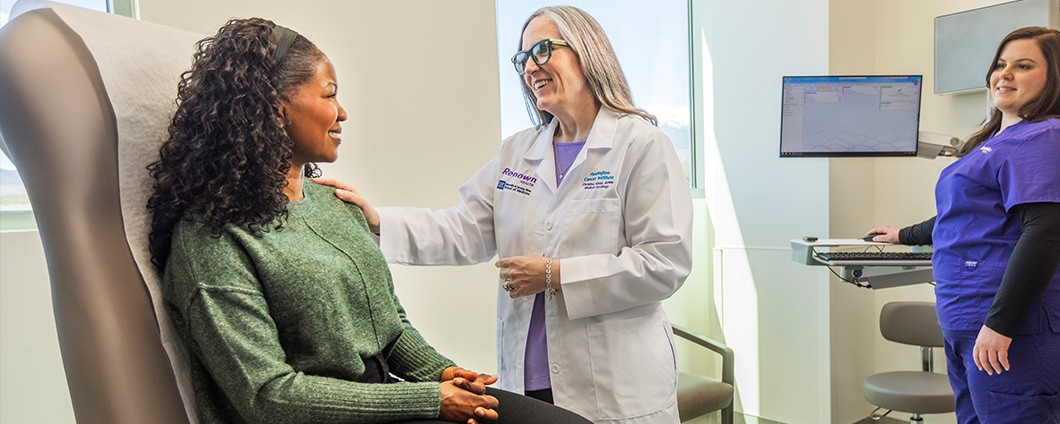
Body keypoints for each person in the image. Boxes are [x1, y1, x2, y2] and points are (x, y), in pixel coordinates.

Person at [146, 18, 592, 424]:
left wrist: (443, 373)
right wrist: (429, 398)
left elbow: (389, 326)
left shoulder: (331, 205)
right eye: (329, 94)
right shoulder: (212, 239)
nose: (342, 113)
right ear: (274, 107)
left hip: (388, 403)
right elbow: (269, 396)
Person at [317, 6, 692, 423]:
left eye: (543, 50)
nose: (530, 67)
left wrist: (554, 275)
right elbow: (462, 229)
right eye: (522, 58)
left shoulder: (640, 145)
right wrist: (376, 220)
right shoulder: (518, 151)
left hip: (615, 382)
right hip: (528, 377)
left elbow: (665, 262)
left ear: (588, 52)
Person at [867, 26, 1060, 423]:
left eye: (1023, 66)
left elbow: (1045, 230)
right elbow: (962, 214)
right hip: (966, 319)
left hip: (1007, 327)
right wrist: (902, 234)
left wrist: (1000, 325)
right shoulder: (994, 142)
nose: (1004, 74)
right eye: (1000, 65)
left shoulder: (1044, 136)